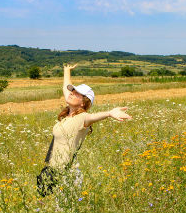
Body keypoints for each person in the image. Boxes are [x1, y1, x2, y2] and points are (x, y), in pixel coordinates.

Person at [37, 64, 132, 197]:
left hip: (67, 176)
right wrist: (67, 70)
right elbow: (66, 88)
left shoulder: (82, 118)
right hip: (53, 171)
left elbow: (92, 117)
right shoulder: (68, 115)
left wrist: (110, 113)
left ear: (83, 102)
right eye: (72, 91)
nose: (72, 93)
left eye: (76, 93)